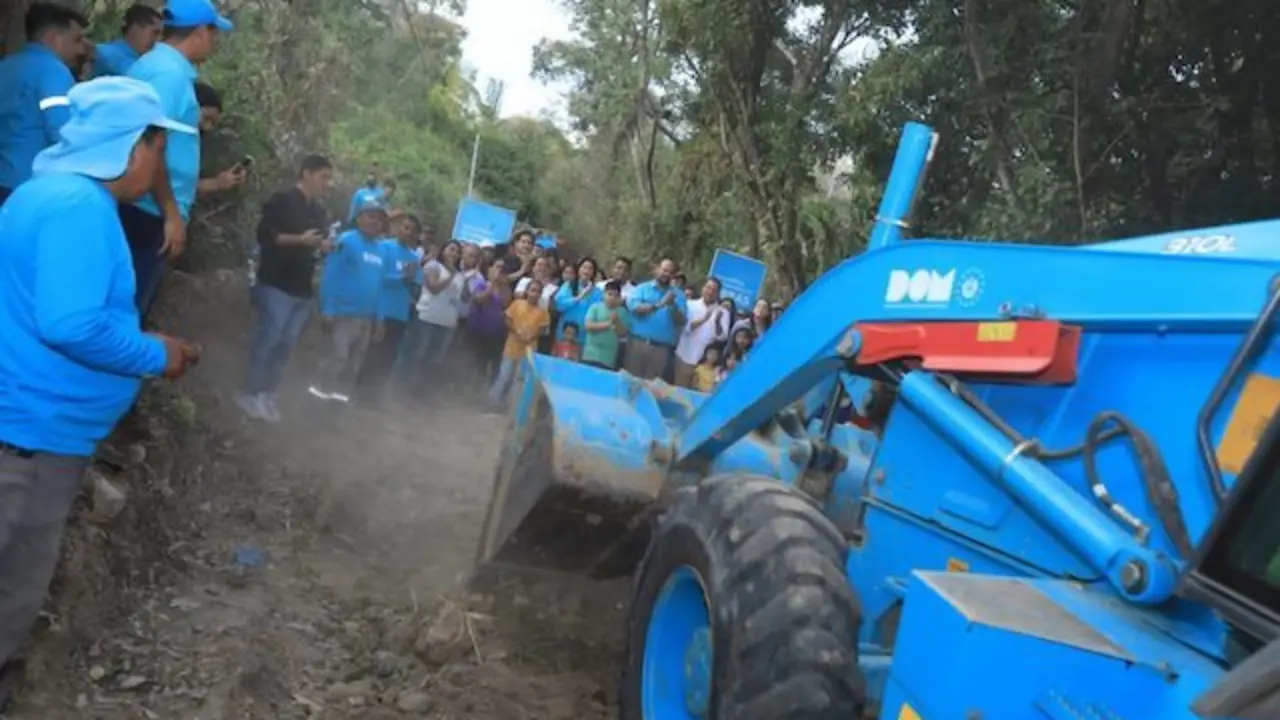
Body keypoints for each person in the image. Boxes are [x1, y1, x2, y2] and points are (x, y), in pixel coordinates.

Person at [0, 76, 200, 709]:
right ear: (132, 147)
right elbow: (70, 323)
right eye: (159, 148)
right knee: (12, 592)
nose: (160, 163)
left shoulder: (44, 195)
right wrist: (153, 354)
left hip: (28, 428)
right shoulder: (79, 209)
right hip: (30, 442)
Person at [123, 0, 235, 319]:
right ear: (200, 32)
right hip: (145, 212)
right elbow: (148, 145)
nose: (214, 42)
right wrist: (171, 213)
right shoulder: (168, 76)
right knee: (126, 309)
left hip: (145, 207)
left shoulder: (157, 66)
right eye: (214, 33)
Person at [234, 154, 334, 422]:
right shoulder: (281, 200)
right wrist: (300, 239)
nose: (328, 183)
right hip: (275, 281)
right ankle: (248, 391)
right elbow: (267, 236)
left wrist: (323, 245)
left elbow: (321, 243)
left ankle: (267, 393)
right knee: (269, 338)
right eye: (324, 176)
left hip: (302, 287)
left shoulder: (319, 211)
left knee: (286, 345)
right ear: (306, 173)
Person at [0, 3, 86, 205]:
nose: (81, 49)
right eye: (76, 40)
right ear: (53, 38)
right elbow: (63, 130)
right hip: (33, 185)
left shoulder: (6, 66)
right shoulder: (53, 71)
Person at [310, 198, 387, 403]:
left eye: (379, 219)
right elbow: (331, 276)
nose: (375, 222)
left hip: (366, 318)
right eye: (371, 217)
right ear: (360, 219)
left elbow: (380, 285)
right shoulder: (347, 241)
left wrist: (379, 318)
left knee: (354, 365)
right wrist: (328, 309)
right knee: (337, 358)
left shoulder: (381, 250)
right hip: (343, 314)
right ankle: (317, 398)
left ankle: (338, 404)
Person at [356, 213, 422, 405]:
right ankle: (359, 392)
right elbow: (378, 277)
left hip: (400, 313)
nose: (407, 232)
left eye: (412, 230)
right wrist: (400, 278)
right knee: (372, 353)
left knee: (389, 356)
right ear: (397, 228)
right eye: (405, 227)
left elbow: (414, 283)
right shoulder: (384, 248)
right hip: (382, 309)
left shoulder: (412, 257)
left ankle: (374, 395)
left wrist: (414, 285)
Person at [405, 240, 465, 392]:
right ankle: (406, 388)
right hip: (427, 317)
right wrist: (450, 275)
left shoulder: (460, 275)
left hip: (446, 322)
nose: (454, 254)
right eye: (451, 249)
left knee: (434, 359)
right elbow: (434, 288)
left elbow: (457, 298)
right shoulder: (433, 266)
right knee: (419, 354)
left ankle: (422, 391)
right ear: (443, 250)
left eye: (457, 252)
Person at [487, 278, 550, 410]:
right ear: (527, 291)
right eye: (532, 290)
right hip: (512, 347)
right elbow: (507, 319)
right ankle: (493, 402)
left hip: (528, 351)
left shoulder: (542, 312)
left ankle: (510, 406)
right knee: (504, 376)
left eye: (538, 291)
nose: (535, 294)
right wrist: (517, 331)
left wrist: (531, 335)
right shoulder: (517, 304)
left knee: (518, 380)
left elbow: (544, 329)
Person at [624, 258, 688, 380]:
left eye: (670, 272)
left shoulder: (678, 295)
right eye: (664, 270)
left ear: (673, 275)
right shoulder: (642, 289)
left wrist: (672, 305)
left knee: (651, 388)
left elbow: (681, 321)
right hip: (638, 343)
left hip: (661, 349)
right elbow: (634, 308)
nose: (666, 274)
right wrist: (659, 304)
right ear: (657, 269)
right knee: (629, 382)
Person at [673, 277, 728, 388]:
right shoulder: (689, 304)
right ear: (703, 288)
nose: (710, 292)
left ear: (718, 293)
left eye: (714, 290)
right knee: (678, 392)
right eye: (708, 288)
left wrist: (717, 322)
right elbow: (684, 327)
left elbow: (722, 337)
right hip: (684, 357)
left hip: (706, 363)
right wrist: (704, 319)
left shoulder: (723, 312)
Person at [464, 262, 511, 386]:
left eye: (503, 270)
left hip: (496, 334)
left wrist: (501, 285)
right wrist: (492, 285)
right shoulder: (481, 283)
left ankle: (484, 392)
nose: (499, 272)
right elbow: (479, 299)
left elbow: (506, 303)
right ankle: (470, 389)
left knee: (492, 363)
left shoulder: (506, 289)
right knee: (476, 362)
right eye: (497, 267)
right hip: (478, 330)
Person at [94, 4, 162, 77]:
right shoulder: (106, 53)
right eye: (155, 32)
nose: (158, 39)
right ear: (136, 27)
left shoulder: (145, 60)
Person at [581, 280, 630, 370]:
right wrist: (609, 324)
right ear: (603, 295)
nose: (612, 298)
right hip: (590, 353)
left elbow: (622, 333)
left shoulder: (622, 312)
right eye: (610, 294)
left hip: (608, 356)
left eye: (616, 296)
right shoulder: (595, 307)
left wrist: (617, 322)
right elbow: (588, 326)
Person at [553, 256, 601, 341]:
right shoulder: (569, 285)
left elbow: (597, 313)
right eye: (584, 267)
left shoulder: (597, 292)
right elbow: (559, 304)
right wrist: (579, 297)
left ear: (594, 272)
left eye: (590, 269)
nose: (586, 271)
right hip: (565, 331)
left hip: (584, 334)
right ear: (579, 269)